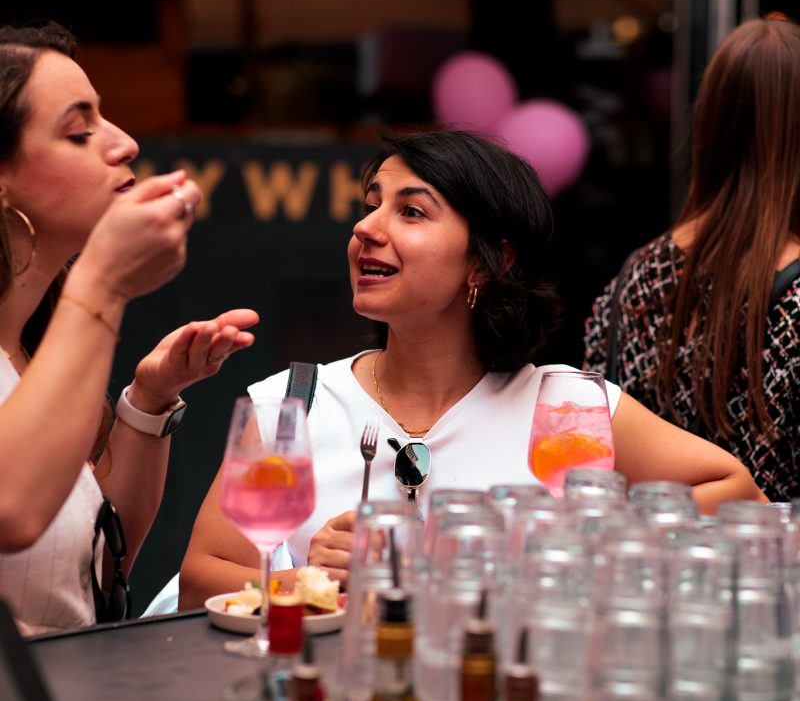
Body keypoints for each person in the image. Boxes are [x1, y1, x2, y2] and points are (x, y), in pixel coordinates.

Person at [179, 129, 762, 605]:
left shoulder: (566, 408)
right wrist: (308, 582)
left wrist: (564, 551)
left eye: (410, 212)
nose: (365, 228)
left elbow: (736, 494)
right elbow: (201, 579)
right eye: (371, 206)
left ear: (488, 261)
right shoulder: (295, 404)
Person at [0, 22, 258, 634]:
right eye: (79, 131)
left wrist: (148, 401)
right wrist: (103, 282)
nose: (125, 143)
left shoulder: (32, 349)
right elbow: (12, 511)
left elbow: (88, 568)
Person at [584, 17, 800, 502]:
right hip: (764, 549)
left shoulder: (636, 277)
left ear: (710, 125)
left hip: (644, 544)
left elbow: (592, 446)